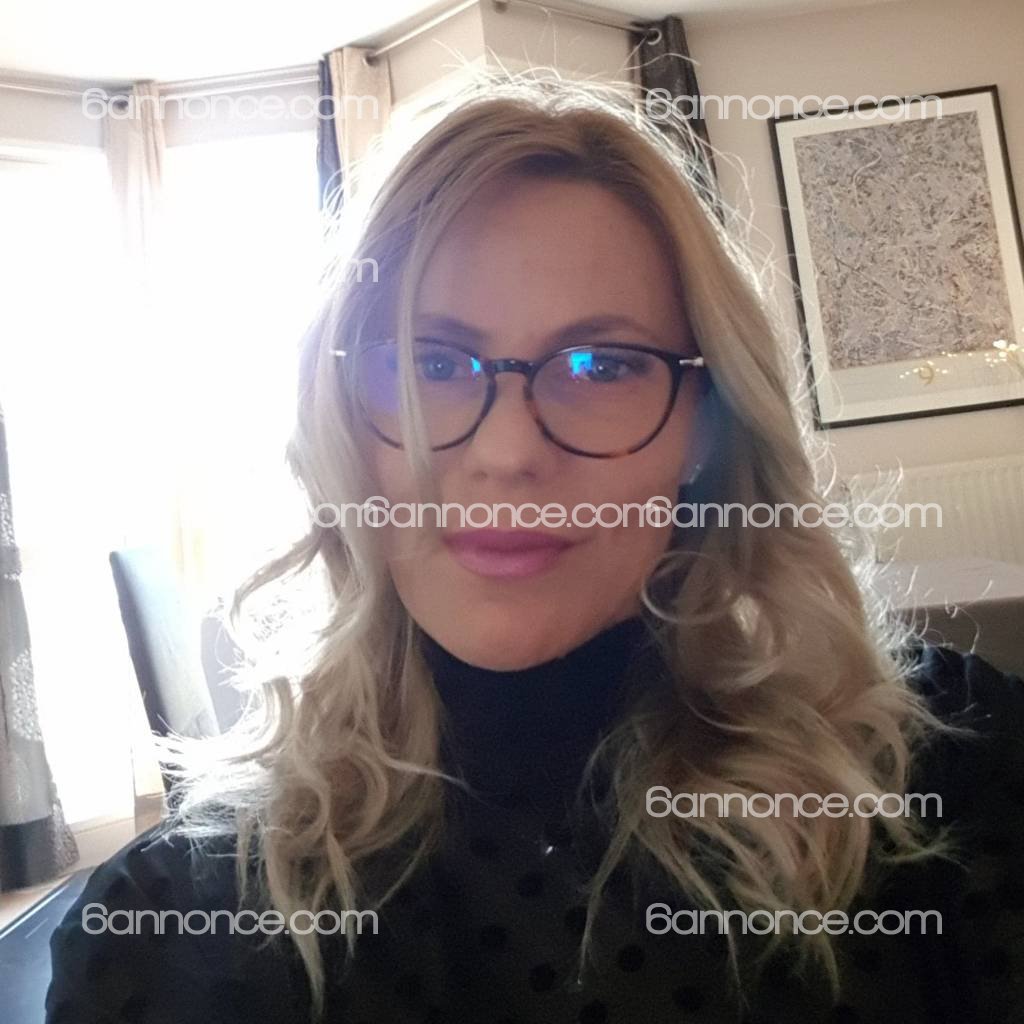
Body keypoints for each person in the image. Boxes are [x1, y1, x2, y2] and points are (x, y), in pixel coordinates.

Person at [46, 78, 1023, 1024]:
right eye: (429, 362)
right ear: (338, 419)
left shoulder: (955, 782)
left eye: (602, 365)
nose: (509, 452)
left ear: (705, 426)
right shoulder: (170, 926)